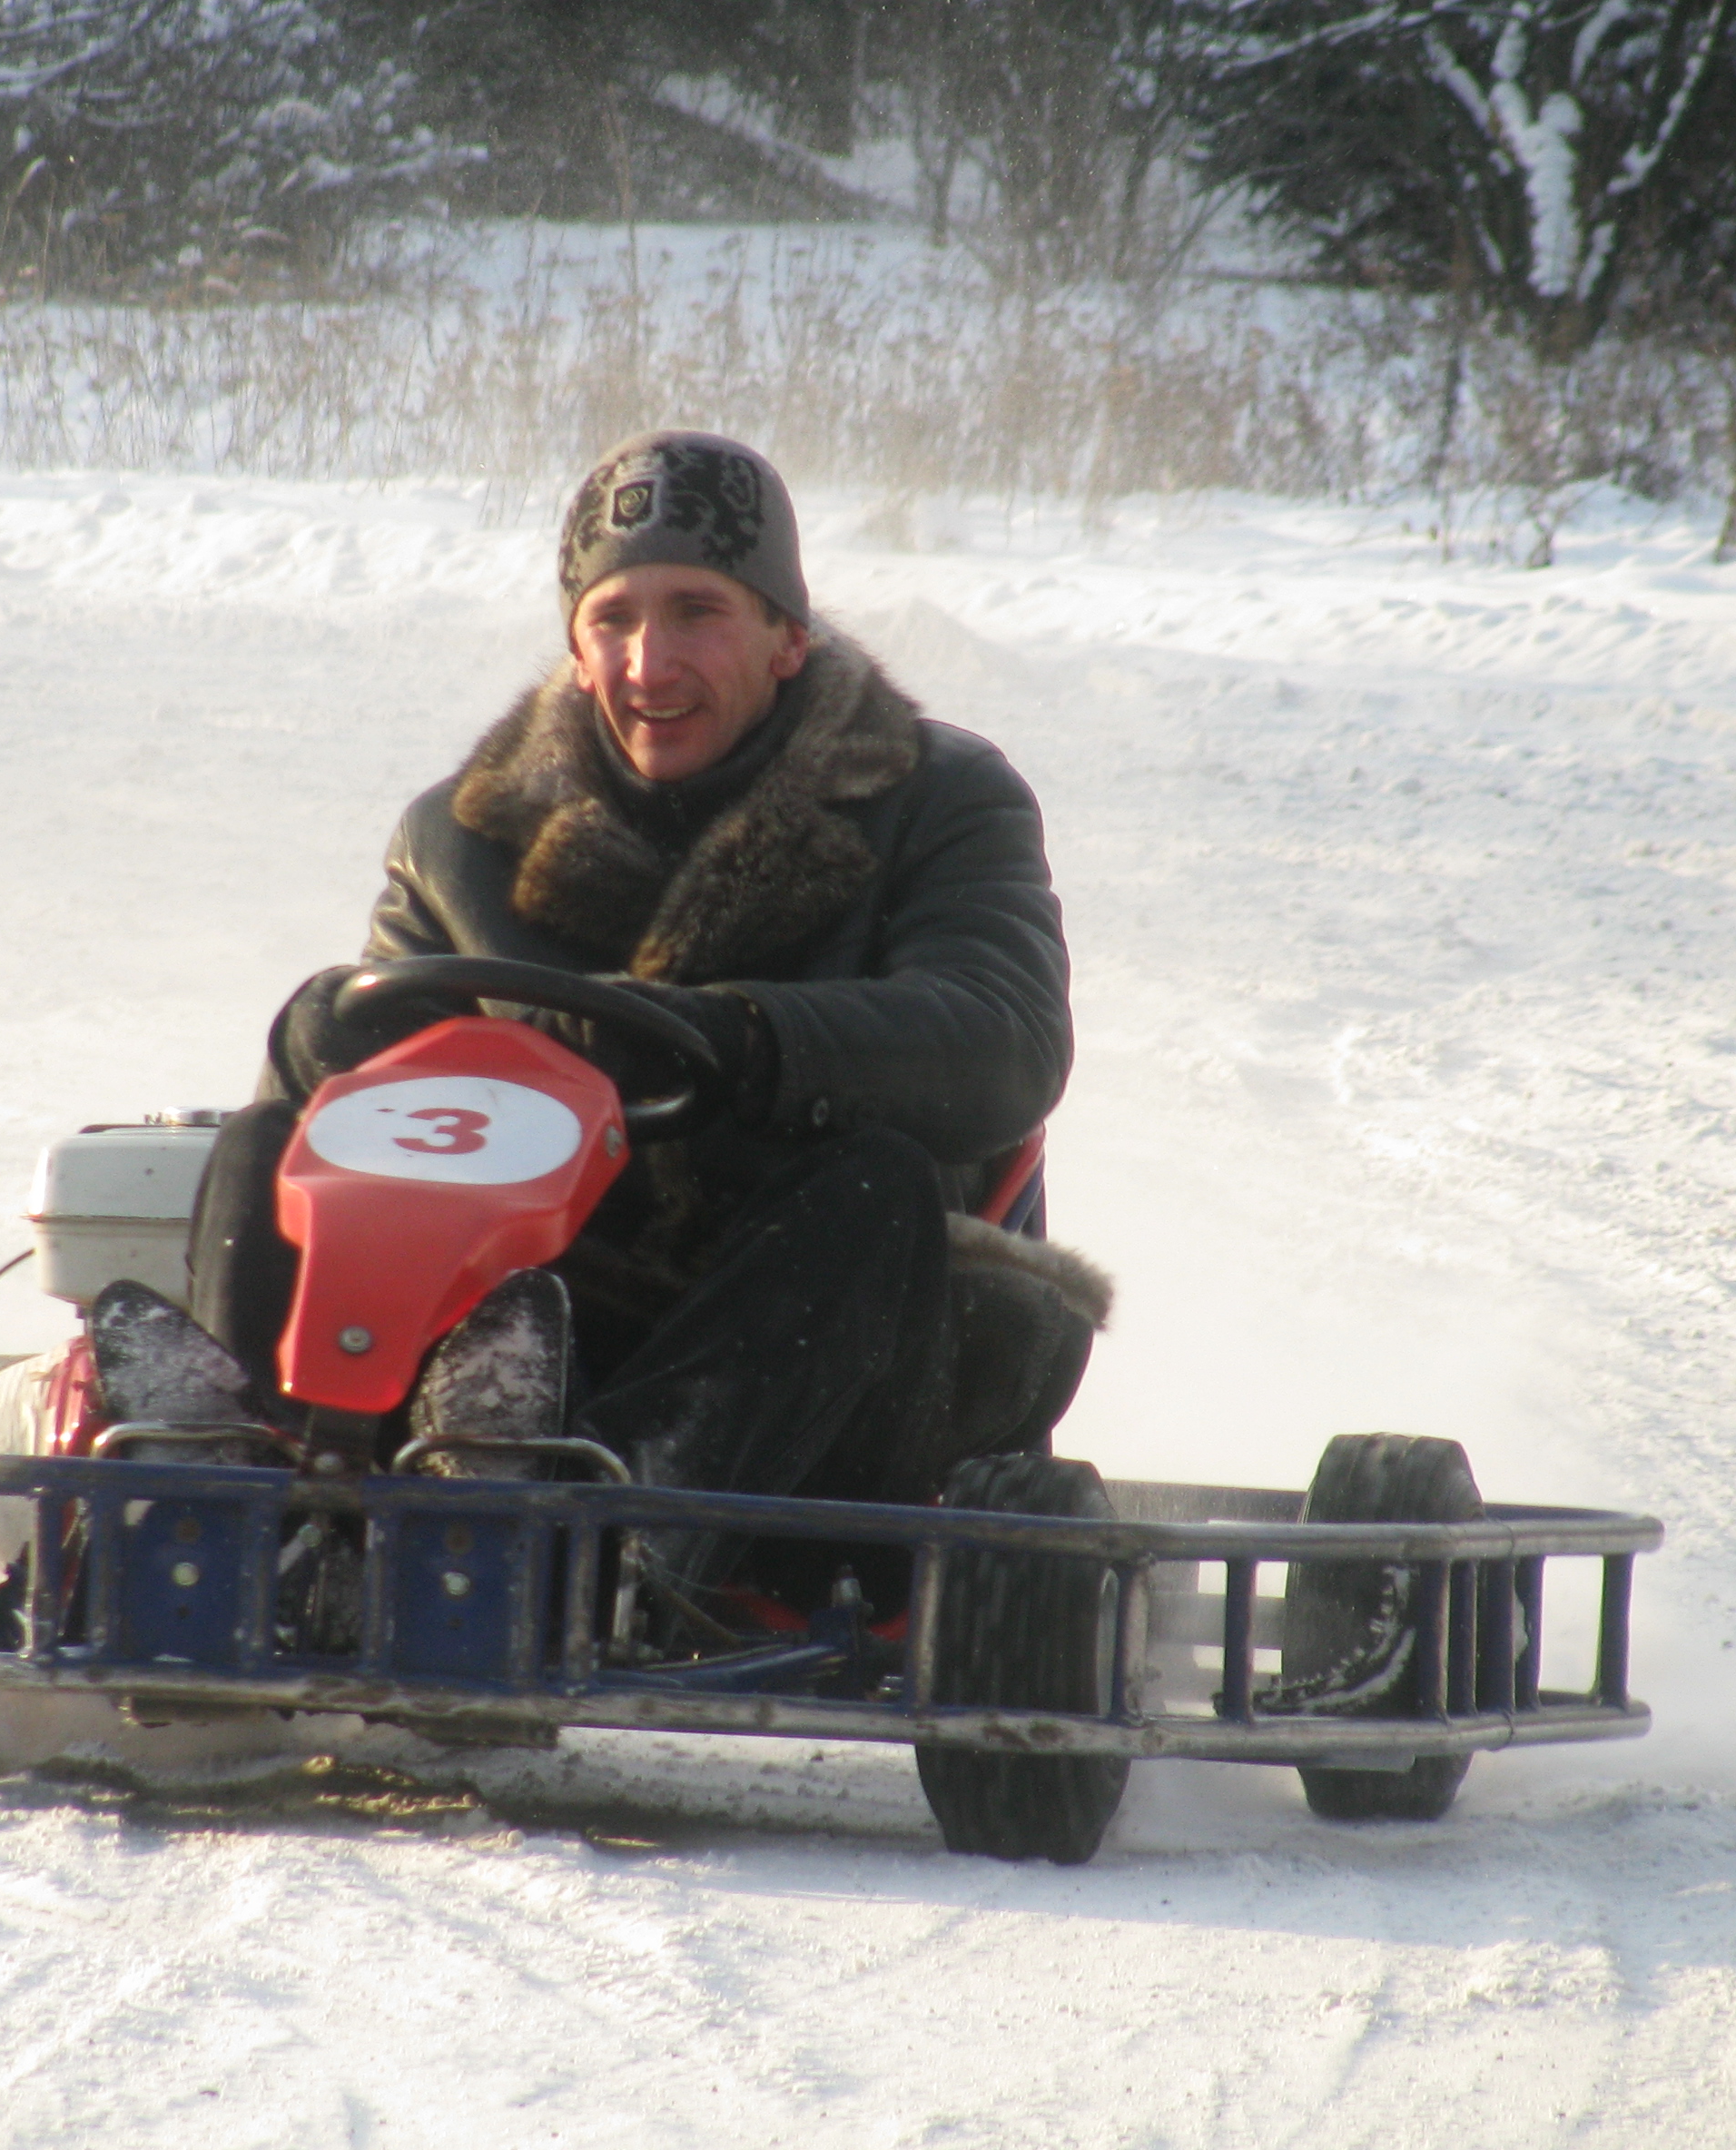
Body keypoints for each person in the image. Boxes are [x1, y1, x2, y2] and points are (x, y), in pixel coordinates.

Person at [182, 430, 1107, 1593]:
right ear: (576, 649)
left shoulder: (936, 800)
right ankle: (237, 1504)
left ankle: (604, 1539)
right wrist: (330, 1040)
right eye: (613, 620)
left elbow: (1003, 1036)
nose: (649, 664)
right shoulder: (457, 840)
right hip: (538, 1309)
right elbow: (379, 1120)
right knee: (274, 1138)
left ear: (787, 637)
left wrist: (743, 1037)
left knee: (870, 1186)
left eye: (696, 614)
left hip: (825, 1330)